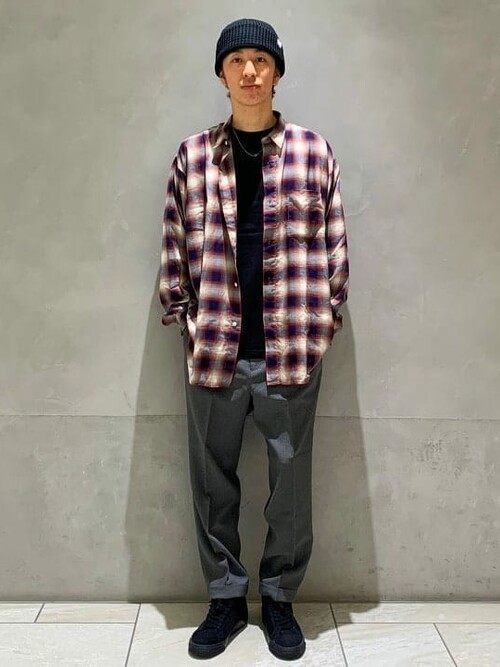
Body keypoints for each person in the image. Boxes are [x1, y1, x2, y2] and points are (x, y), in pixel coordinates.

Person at [159, 17, 349, 661]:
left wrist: (323, 321)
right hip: (214, 349)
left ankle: (279, 599)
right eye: (237, 59)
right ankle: (224, 600)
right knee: (212, 483)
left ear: (276, 72)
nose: (249, 71)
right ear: (221, 72)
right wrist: (186, 319)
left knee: (290, 486)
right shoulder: (192, 156)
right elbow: (173, 244)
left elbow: (336, 247)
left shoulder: (313, 152)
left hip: (290, 351)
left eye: (261, 60)